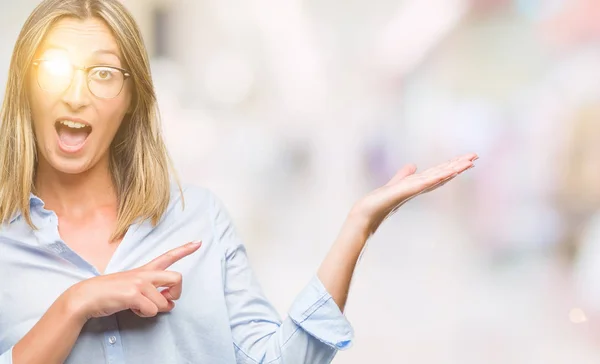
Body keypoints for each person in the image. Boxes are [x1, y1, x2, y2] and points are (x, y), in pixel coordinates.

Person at [0, 0, 477, 363]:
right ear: (25, 85)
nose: (76, 95)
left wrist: (358, 226)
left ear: (131, 99)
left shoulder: (199, 219)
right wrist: (74, 305)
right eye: (56, 68)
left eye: (103, 73)